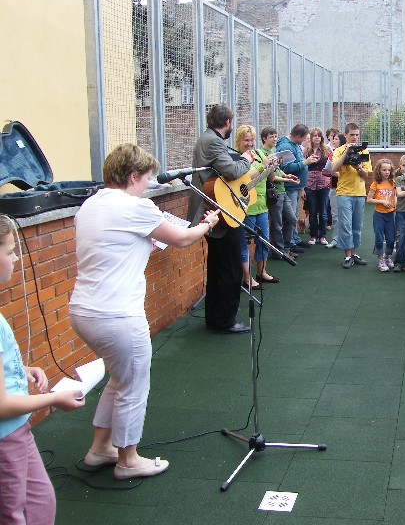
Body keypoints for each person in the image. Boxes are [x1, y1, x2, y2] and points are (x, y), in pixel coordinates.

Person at [71, 143, 220, 481]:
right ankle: (129, 460)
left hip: (84, 311)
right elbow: (182, 239)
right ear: (132, 176)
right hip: (117, 315)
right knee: (134, 383)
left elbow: (118, 245)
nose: (148, 186)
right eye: (147, 179)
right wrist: (208, 223)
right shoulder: (135, 207)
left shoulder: (91, 204)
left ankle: (100, 449)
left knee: (119, 378)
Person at [0, 214, 85, 524]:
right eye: (9, 251)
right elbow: (2, 405)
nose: (17, 259)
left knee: (40, 502)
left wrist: (21, 369)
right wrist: (53, 399)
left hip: (17, 431)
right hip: (4, 436)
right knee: (14, 513)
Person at [188, 105, 254, 334]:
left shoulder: (206, 139)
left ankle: (215, 318)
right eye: (231, 123)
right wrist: (246, 159)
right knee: (229, 270)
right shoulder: (214, 142)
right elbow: (232, 171)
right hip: (218, 213)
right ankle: (225, 320)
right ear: (227, 122)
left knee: (218, 268)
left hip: (216, 210)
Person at [233, 125, 279, 288]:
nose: (250, 143)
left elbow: (269, 178)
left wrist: (272, 167)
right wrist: (262, 166)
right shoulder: (237, 158)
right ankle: (247, 278)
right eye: (246, 140)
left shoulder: (259, 154)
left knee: (264, 241)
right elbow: (244, 180)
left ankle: (262, 272)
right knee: (244, 243)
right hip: (245, 208)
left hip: (261, 206)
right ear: (239, 140)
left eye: (252, 139)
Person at [331, 123, 372, 269]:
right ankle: (347, 255)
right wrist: (346, 152)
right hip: (344, 193)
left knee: (357, 225)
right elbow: (334, 168)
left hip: (359, 193)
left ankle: (353, 253)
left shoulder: (364, 151)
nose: (354, 138)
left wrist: (358, 167)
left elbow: (367, 174)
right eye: (352, 135)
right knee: (346, 224)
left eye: (356, 135)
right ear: (346, 135)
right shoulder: (339, 150)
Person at [262, 127, 301, 260]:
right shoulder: (263, 154)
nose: (275, 139)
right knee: (277, 223)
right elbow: (271, 177)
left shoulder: (274, 152)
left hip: (282, 191)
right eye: (271, 136)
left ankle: (286, 247)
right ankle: (278, 251)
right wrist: (287, 179)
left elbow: (278, 171)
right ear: (264, 139)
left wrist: (287, 175)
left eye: (275, 136)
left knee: (291, 219)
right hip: (274, 193)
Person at [276, 124, 315, 253]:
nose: (304, 141)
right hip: (290, 186)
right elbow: (285, 168)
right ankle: (290, 243)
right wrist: (305, 163)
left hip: (297, 186)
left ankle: (295, 238)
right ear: (298, 136)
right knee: (290, 216)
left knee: (295, 213)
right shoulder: (285, 147)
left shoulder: (296, 145)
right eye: (304, 138)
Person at [366, 158, 396, 272]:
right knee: (379, 238)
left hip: (390, 215)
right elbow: (369, 199)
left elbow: (395, 195)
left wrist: (395, 204)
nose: (387, 172)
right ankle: (381, 260)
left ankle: (387, 257)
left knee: (391, 238)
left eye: (389, 170)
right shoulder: (375, 184)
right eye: (384, 170)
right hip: (379, 215)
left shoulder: (393, 183)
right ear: (379, 170)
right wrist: (382, 202)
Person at [303, 127, 331, 246]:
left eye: (318, 135)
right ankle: (313, 235)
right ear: (311, 137)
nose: (316, 137)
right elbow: (303, 166)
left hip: (323, 182)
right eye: (314, 135)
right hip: (309, 183)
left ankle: (323, 235)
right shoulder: (306, 151)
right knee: (313, 211)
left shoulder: (326, 149)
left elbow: (331, 164)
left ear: (321, 138)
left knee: (324, 211)